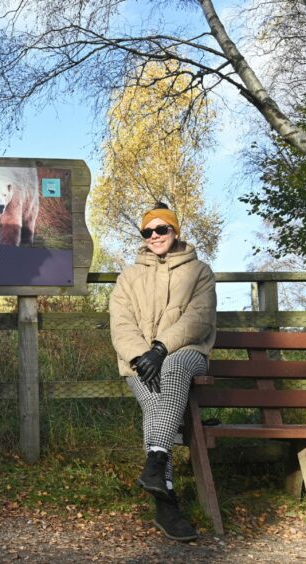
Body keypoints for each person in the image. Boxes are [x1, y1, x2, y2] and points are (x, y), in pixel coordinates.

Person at [108, 202, 216, 542]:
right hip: (139, 363)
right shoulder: (129, 276)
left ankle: (156, 459)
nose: (155, 236)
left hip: (188, 354)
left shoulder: (200, 271)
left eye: (161, 229)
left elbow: (198, 319)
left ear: (175, 230)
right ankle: (165, 500)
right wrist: (143, 356)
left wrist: (161, 349)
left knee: (175, 364)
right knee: (156, 405)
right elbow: (121, 323)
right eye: (148, 231)